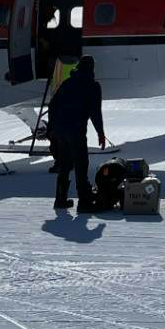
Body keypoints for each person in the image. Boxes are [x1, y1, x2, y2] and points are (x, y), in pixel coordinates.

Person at [47, 56, 107, 213]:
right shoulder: (92, 86)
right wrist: (100, 132)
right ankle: (84, 202)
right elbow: (95, 112)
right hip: (75, 130)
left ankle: (60, 200)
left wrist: (52, 129)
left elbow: (52, 106)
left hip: (60, 131)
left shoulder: (67, 83)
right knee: (81, 165)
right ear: (92, 68)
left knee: (65, 164)